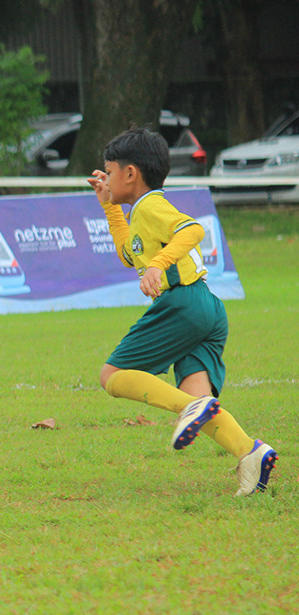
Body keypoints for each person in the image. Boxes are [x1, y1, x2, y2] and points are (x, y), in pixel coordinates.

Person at [87, 127, 276, 496]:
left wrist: (158, 265)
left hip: (183, 303)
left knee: (111, 375)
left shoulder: (151, 206)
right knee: (198, 402)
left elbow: (192, 230)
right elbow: (128, 254)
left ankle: (194, 409)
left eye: (109, 172)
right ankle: (250, 452)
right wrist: (109, 207)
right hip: (205, 307)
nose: (106, 179)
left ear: (130, 173)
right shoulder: (140, 211)